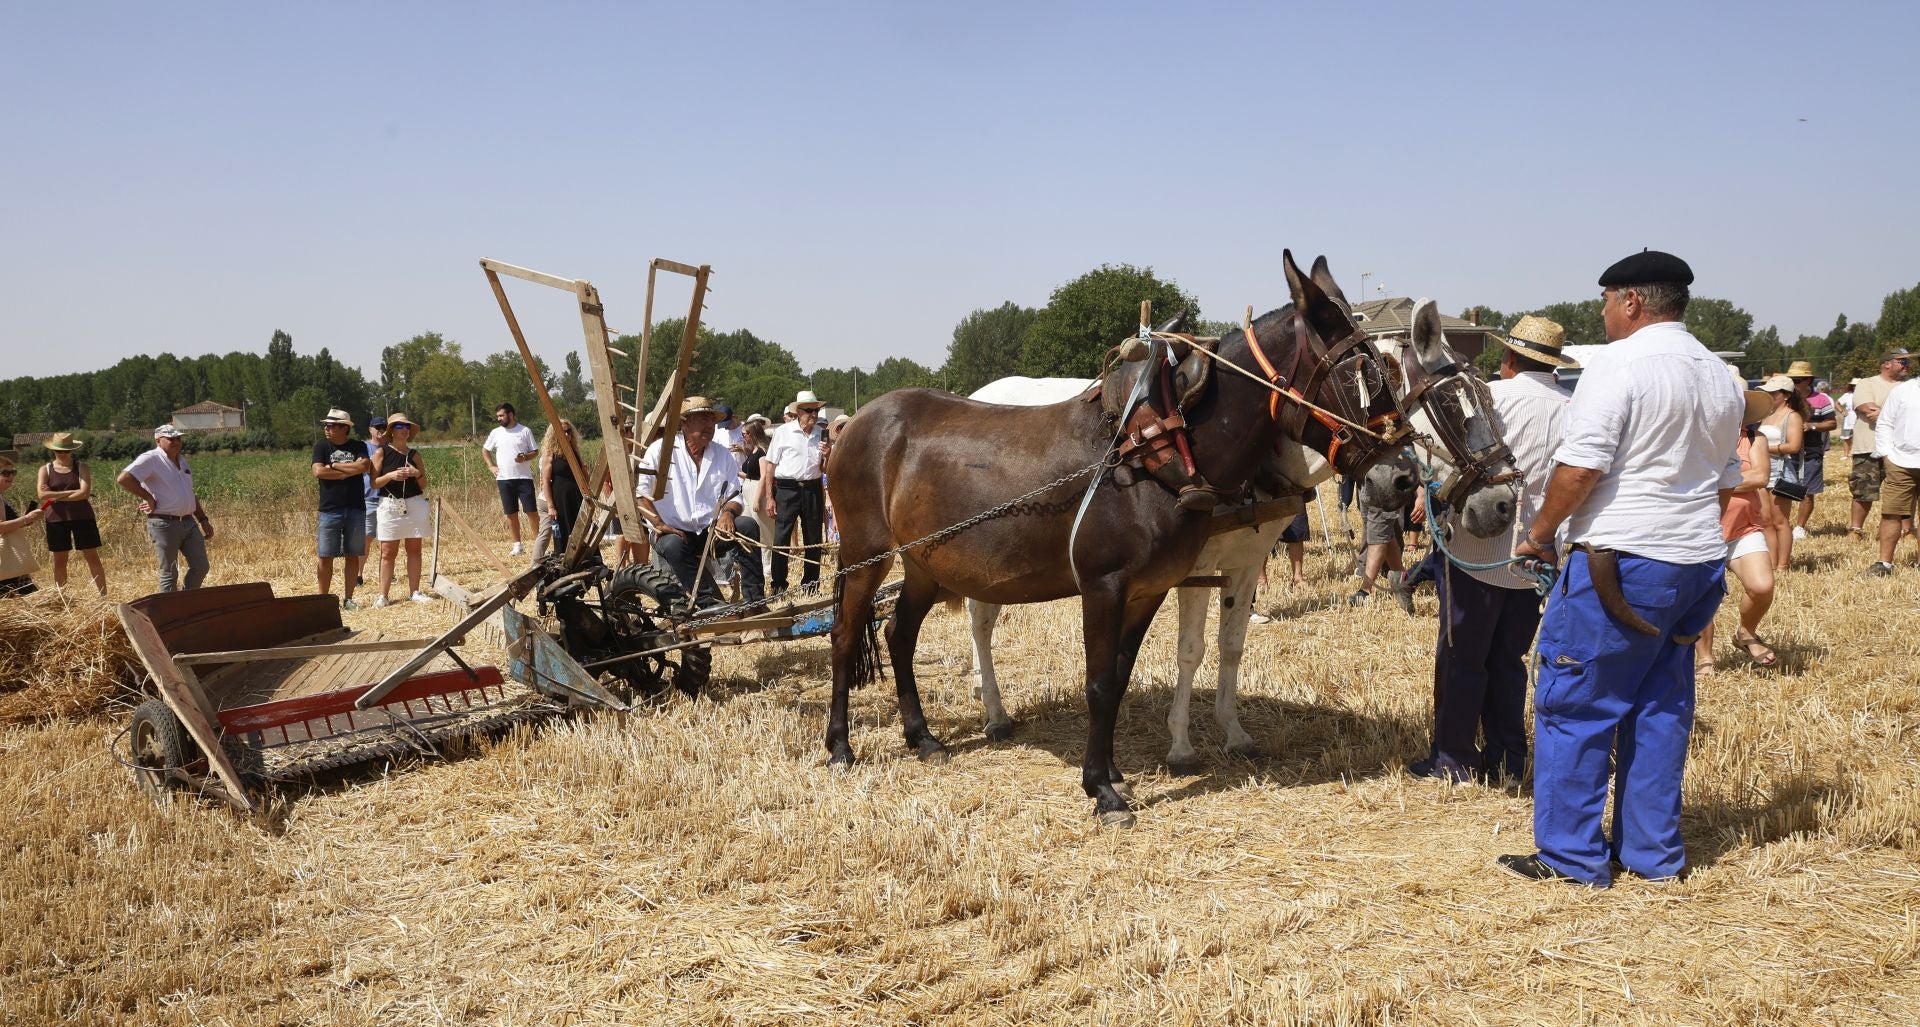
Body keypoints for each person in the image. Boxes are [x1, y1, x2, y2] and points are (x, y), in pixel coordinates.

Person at [1501, 250, 1741, 887]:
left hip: (1620, 561)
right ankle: (1651, 854)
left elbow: (1581, 468)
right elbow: (1726, 484)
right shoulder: (1721, 376)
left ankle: (1572, 856)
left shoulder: (1618, 366)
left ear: (1631, 300)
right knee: (1661, 708)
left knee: (1576, 704)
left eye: (1607, 300)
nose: (1604, 311)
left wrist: (1540, 533)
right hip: (1695, 565)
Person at [1410, 315, 1575, 785]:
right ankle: (1508, 755)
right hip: (1539, 553)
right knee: (1509, 659)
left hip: (1477, 550)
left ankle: (1454, 757)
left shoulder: (1492, 399)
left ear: (1509, 359)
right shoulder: (1574, 407)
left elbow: (1439, 456)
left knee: (1463, 656)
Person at [635, 396, 766, 609]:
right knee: (672, 544)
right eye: (703, 419)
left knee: (747, 527)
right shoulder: (661, 450)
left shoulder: (722, 454)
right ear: (684, 422)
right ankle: (710, 604)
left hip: (710, 531)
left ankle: (755, 601)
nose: (709, 426)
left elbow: (735, 494)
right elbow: (641, 494)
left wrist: (728, 514)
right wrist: (658, 524)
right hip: (673, 531)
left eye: (712, 420)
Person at [1697, 374, 1778, 672]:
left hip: (1744, 527)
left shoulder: (1754, 438)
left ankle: (1746, 632)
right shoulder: (1698, 436)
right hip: (1703, 529)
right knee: (1704, 597)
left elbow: (1761, 476)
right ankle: (1705, 656)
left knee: (1762, 586)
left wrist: (1718, 483)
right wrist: (1733, 482)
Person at [116, 424, 214, 593]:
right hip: (164, 523)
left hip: (189, 522)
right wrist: (148, 497)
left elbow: (189, 493)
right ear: (158, 440)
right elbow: (124, 478)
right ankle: (169, 612)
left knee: (201, 567)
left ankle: (185, 602)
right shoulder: (150, 459)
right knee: (169, 573)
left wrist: (203, 519)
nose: (176, 442)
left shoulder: (182, 460)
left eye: (178, 438)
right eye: (170, 439)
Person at [761, 390, 830, 594]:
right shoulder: (783, 432)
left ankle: (811, 585)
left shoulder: (821, 434)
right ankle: (779, 585)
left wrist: (828, 455)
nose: (814, 414)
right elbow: (770, 467)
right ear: (798, 411)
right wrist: (769, 497)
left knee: (813, 539)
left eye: (816, 410)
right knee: (781, 539)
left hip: (812, 489)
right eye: (809, 410)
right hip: (787, 489)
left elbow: (825, 469)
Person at [1847, 348, 1912, 535]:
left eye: (1908, 362)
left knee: (1904, 491)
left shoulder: (1910, 387)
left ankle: (1907, 530)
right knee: (1863, 491)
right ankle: (1856, 529)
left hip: (1901, 450)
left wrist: (1884, 414)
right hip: (1869, 447)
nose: (1908, 366)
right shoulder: (1867, 383)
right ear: (1887, 364)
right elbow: (1867, 408)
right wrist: (1900, 415)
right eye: (1903, 362)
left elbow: (1910, 414)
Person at [312, 409, 371, 609]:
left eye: (331, 425)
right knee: (325, 556)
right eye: (326, 425)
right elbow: (318, 471)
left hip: (356, 509)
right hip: (330, 510)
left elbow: (364, 467)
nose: (326, 429)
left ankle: (348, 599)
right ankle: (323, 601)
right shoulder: (321, 446)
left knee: (352, 555)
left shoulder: (358, 445)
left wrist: (335, 466)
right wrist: (348, 471)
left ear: (344, 428)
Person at [370, 413, 431, 607]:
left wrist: (416, 473)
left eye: (406, 427)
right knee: (387, 552)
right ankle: (383, 596)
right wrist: (390, 475)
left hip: (414, 503)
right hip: (389, 505)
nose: (404, 430)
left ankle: (415, 591)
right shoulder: (381, 452)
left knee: (414, 550)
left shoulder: (415, 455)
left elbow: (424, 484)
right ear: (391, 431)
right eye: (399, 427)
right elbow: (373, 483)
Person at [35, 432, 107, 595]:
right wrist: (71, 492)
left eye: (66, 451)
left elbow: (84, 494)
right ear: (53, 451)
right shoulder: (45, 469)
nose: (62, 454)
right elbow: (41, 496)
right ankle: (62, 598)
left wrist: (54, 495)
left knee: (92, 557)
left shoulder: (82, 467)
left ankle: (104, 597)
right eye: (59, 451)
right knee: (60, 560)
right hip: (56, 519)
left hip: (83, 517)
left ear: (71, 451)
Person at [1866, 372, 1920, 576]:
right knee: (1891, 513)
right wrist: (1887, 454)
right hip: (1900, 462)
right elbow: (1885, 422)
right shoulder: (1902, 391)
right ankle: (1884, 564)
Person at [1754, 375, 1807, 572]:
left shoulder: (1792, 416)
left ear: (1785, 395)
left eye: (1772, 392)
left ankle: (1783, 565)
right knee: (1765, 520)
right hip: (1763, 468)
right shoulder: (1766, 415)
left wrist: (1766, 448)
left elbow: (1794, 446)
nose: (1768, 395)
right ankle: (1771, 563)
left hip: (1781, 471)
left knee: (1780, 521)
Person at [481, 403, 539, 556]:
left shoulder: (525, 431)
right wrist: (491, 466)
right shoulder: (496, 433)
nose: (499, 418)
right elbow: (485, 450)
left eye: (502, 415)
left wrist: (525, 457)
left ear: (511, 415)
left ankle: (539, 544)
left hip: (524, 478)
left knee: (531, 511)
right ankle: (517, 545)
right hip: (504, 479)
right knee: (511, 513)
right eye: (498, 416)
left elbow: (535, 451)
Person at [1786, 362, 1835, 542]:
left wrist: (1812, 426)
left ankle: (1800, 527)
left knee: (1808, 491)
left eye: (1797, 379)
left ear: (1808, 380)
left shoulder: (1821, 400)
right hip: (1786, 451)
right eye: (1791, 379)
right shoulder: (1785, 398)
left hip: (1811, 451)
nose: (1793, 382)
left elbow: (1832, 423)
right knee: (1783, 490)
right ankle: (1784, 524)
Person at [540, 419, 586, 559]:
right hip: (560, 499)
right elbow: (545, 482)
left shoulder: (574, 452)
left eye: (569, 431)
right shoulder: (550, 455)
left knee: (580, 530)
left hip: (576, 496)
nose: (567, 435)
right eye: (563, 432)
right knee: (563, 532)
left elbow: (585, 474)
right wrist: (551, 506)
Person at [1, 454, 45, 597]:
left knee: (27, 598)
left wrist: (27, 519)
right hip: (5, 557)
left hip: (9, 556)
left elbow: (10, 524)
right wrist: (25, 519)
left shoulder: (1, 496)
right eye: (5, 473)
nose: (10, 476)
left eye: (13, 472)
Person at [359, 415, 387, 582]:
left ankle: (387, 573)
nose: (380, 431)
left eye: (383, 427)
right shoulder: (363, 448)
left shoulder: (391, 448)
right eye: (377, 427)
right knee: (367, 537)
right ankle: (359, 574)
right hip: (369, 498)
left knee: (388, 538)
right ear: (370, 429)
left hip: (387, 498)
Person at [1838, 382, 1856, 456]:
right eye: (1854, 385)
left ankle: (1854, 452)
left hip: (1859, 418)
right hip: (1849, 418)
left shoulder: (1863, 395)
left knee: (1857, 437)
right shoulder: (1847, 395)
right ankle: (1846, 454)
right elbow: (1837, 404)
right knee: (1846, 437)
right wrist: (1842, 411)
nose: (1855, 387)